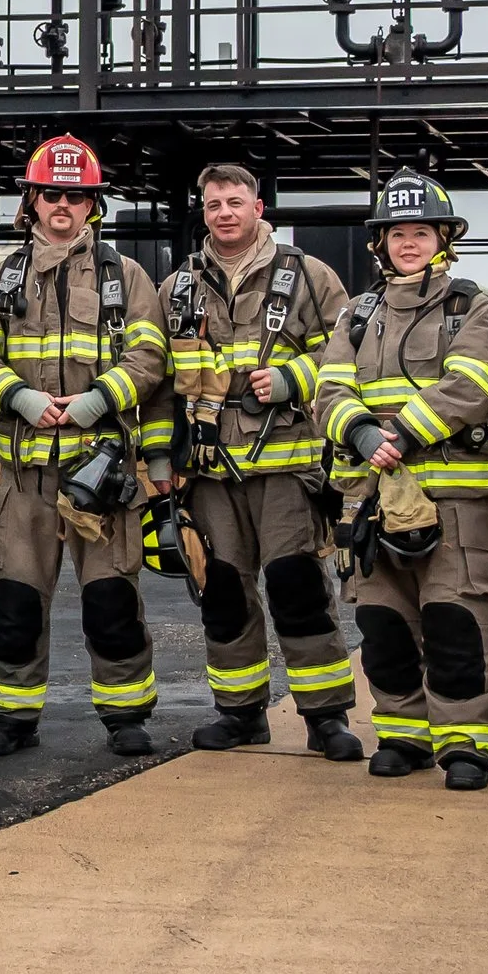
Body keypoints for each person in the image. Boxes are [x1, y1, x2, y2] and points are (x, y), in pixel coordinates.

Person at [312, 170, 488, 789]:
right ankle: (402, 734)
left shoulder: (472, 306)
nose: (407, 243)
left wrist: (398, 434)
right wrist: (361, 434)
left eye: (420, 232)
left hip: (453, 498)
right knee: (385, 627)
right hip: (372, 501)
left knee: (456, 622)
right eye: (397, 233)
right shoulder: (357, 313)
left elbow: (475, 384)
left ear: (443, 239)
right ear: (381, 242)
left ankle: (468, 746)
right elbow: (328, 387)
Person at [0, 135, 169, 760]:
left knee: (111, 599)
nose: (63, 204)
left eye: (76, 195)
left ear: (94, 205)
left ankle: (125, 714)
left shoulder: (125, 275)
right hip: (24, 471)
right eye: (52, 193)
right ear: (30, 201)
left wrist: (96, 401)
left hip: (100, 473)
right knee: (16, 601)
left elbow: (149, 355)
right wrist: (20, 399)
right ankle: (12, 715)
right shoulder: (3, 277)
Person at [161, 162, 360, 757]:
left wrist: (294, 376)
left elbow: (351, 351)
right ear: (204, 210)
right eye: (214, 202)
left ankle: (327, 718)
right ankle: (241, 712)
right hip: (209, 472)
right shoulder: (178, 287)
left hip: (286, 467)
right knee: (223, 592)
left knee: (296, 585)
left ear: (258, 207)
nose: (225, 212)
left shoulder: (309, 276)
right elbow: (161, 377)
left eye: (235, 201)